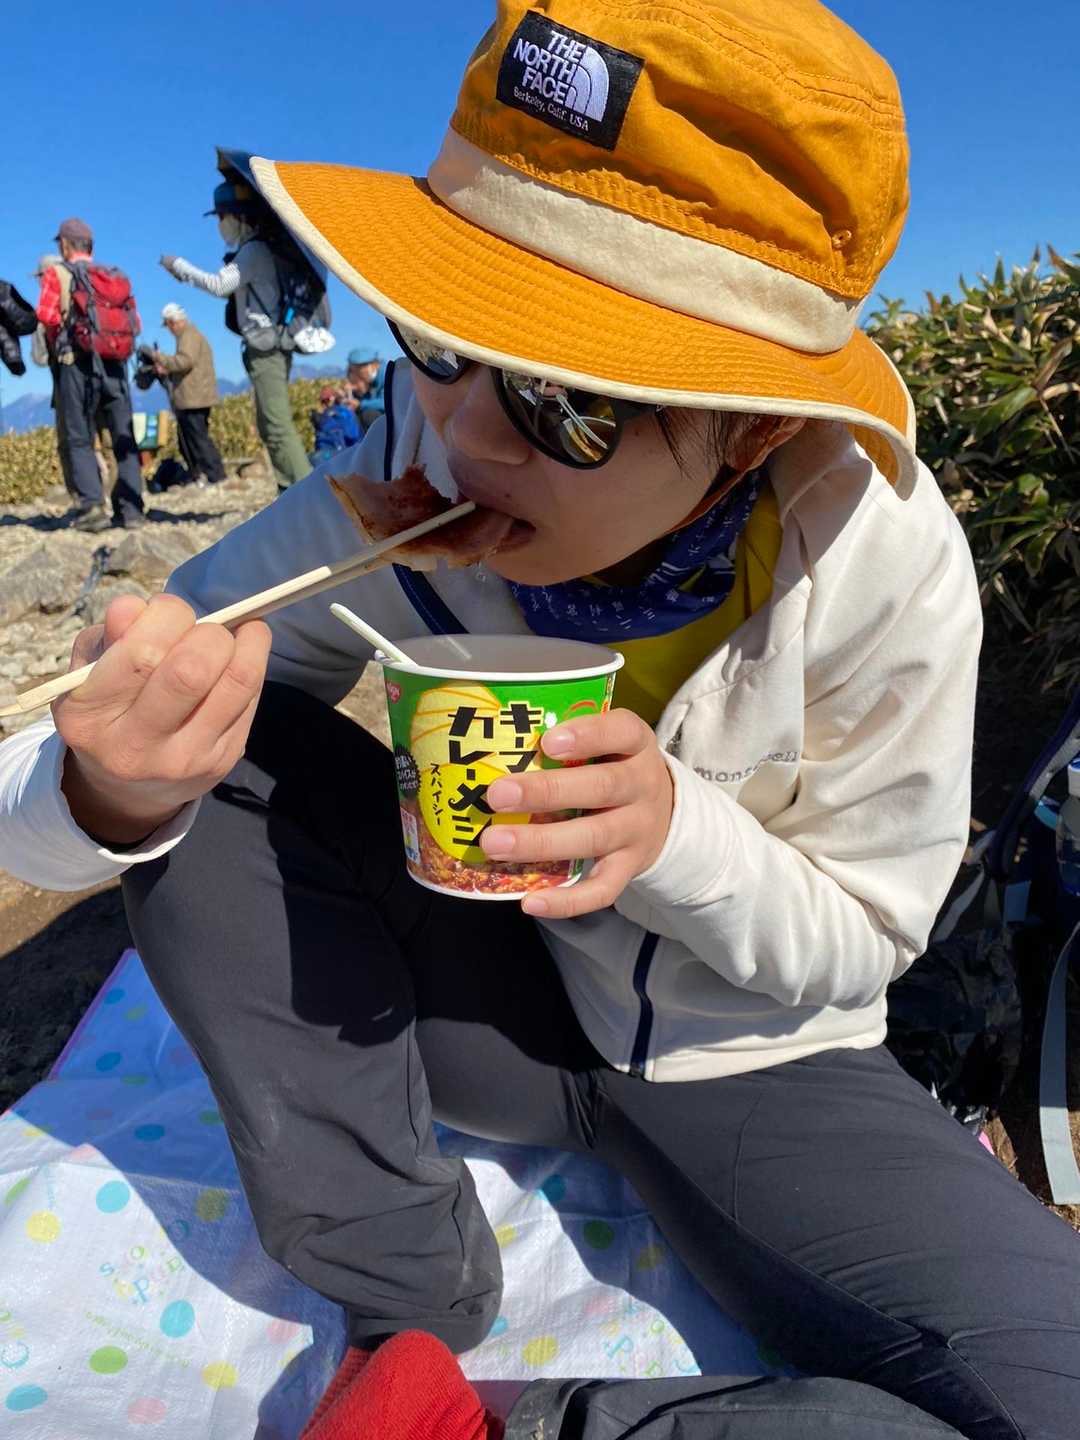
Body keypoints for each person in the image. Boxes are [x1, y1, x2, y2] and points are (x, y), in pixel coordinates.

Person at [2, 4, 1079, 1437]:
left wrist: (677, 838)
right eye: (439, 334)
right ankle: (405, 1304)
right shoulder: (396, 472)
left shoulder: (879, 561)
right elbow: (72, 739)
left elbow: (867, 933)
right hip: (484, 1009)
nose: (465, 436)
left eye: (565, 401)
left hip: (757, 1067)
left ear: (753, 426)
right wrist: (114, 793)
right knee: (230, 735)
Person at [159, 181, 310, 492]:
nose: (219, 225)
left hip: (266, 347)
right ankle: (292, 490)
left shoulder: (253, 251)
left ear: (239, 217)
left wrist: (180, 267)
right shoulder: (262, 249)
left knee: (277, 425)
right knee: (270, 424)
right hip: (270, 345)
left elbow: (220, 285)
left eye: (221, 217)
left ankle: (307, 492)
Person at [35, 218, 146, 532]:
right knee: (122, 436)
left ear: (65, 245)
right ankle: (131, 510)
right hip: (116, 364)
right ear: (91, 246)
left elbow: (46, 315)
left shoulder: (58, 273)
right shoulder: (115, 276)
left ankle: (92, 509)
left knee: (79, 437)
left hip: (77, 363)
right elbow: (135, 323)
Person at [151, 303, 226, 486]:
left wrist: (161, 358)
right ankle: (204, 473)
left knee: (198, 438)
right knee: (192, 438)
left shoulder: (189, 335)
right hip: (196, 396)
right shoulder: (192, 335)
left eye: (168, 325)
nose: (169, 330)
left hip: (194, 398)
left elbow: (185, 361)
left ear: (173, 322)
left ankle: (216, 475)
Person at [310, 383, 361, 461]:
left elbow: (352, 435)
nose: (324, 404)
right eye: (323, 401)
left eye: (326, 400)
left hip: (337, 454)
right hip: (340, 455)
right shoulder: (342, 412)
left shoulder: (341, 413)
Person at [341, 348, 385, 433]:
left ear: (373, 365)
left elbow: (387, 403)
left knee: (368, 415)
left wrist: (360, 404)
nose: (359, 377)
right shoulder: (372, 379)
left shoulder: (387, 375)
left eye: (359, 373)